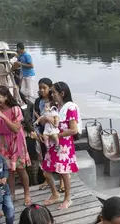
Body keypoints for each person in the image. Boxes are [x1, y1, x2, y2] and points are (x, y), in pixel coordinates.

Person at [0, 85, 32, 206]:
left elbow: (16, 128)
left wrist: (2, 115)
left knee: (20, 168)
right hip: (2, 141)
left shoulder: (15, 109)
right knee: (8, 170)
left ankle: (27, 194)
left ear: (6, 96)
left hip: (16, 140)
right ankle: (12, 194)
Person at [41, 81, 79, 210]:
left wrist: (58, 135)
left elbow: (73, 130)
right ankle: (55, 194)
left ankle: (68, 198)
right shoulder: (55, 108)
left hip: (64, 145)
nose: (51, 94)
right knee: (46, 172)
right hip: (52, 144)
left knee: (64, 173)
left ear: (62, 93)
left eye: (54, 92)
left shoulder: (71, 107)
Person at [31, 78, 64, 192]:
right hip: (43, 132)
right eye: (40, 88)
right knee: (46, 156)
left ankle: (62, 180)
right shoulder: (37, 102)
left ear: (50, 88)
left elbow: (58, 118)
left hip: (55, 133)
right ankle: (47, 179)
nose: (41, 90)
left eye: (44, 88)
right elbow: (35, 118)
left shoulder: (54, 101)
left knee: (58, 155)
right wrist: (37, 132)